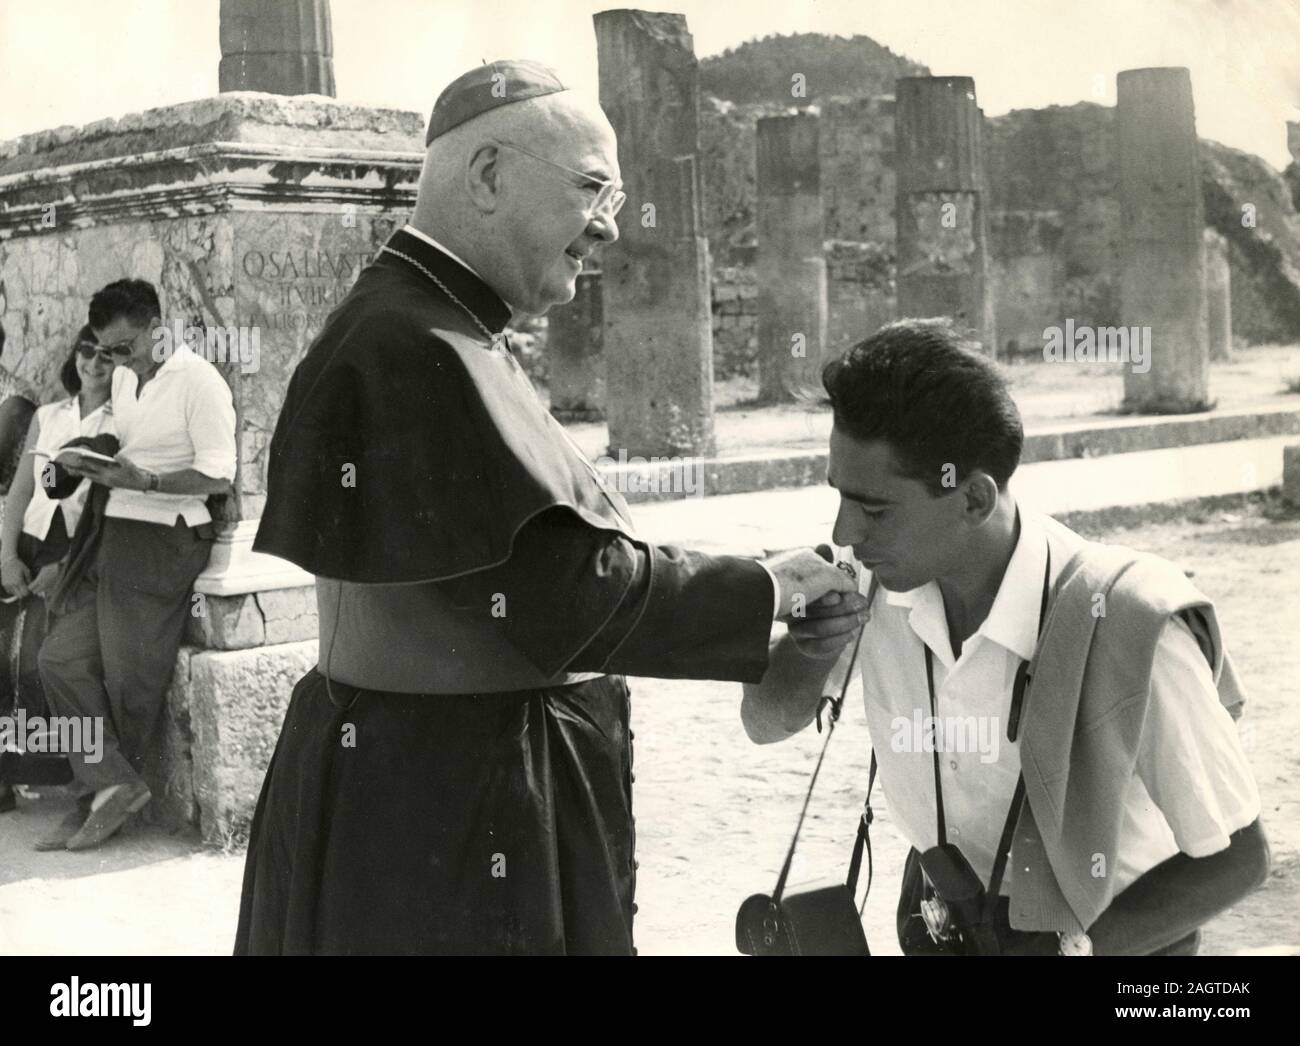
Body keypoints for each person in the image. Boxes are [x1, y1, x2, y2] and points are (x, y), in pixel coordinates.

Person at [235, 59, 863, 956]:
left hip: (423, 775)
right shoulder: (421, 342)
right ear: (488, 176)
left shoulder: (425, 322)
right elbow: (564, 590)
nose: (609, 225)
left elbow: (537, 546)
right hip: (453, 793)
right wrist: (767, 588)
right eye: (593, 188)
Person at [742, 319, 1271, 956]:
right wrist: (810, 649)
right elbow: (765, 722)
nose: (845, 530)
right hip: (946, 926)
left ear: (973, 498)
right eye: (839, 496)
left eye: (875, 509)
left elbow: (1239, 858)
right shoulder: (866, 583)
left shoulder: (1128, 623)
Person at [35, 279, 237, 852]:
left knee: (127, 677)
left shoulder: (199, 381)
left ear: (157, 327)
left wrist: (142, 481)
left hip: (166, 539)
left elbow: (219, 475)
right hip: (114, 533)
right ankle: (112, 785)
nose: (114, 361)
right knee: (59, 658)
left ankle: (97, 797)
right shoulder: (127, 378)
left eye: (124, 347)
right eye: (104, 350)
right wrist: (83, 458)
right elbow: (123, 437)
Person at [0, 326, 116, 811]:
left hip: (71, 551)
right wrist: (6, 555)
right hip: (24, 544)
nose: (94, 363)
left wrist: (65, 566)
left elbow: (105, 511)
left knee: (34, 663)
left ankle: (49, 773)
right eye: (87, 352)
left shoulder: (123, 424)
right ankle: (3, 779)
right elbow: (21, 493)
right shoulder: (49, 416)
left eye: (107, 355)